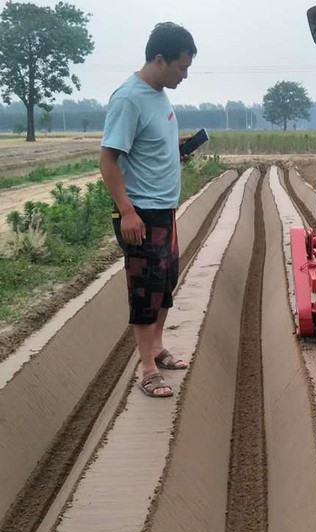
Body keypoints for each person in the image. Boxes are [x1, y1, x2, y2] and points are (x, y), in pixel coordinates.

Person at [100, 22, 197, 398]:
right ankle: (146, 369)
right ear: (159, 60)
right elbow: (109, 161)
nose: (184, 76)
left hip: (165, 210)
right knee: (144, 290)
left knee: (165, 284)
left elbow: (149, 147)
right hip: (140, 213)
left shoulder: (159, 94)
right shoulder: (129, 98)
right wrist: (126, 211)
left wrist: (175, 154)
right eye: (181, 68)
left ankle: (157, 348)